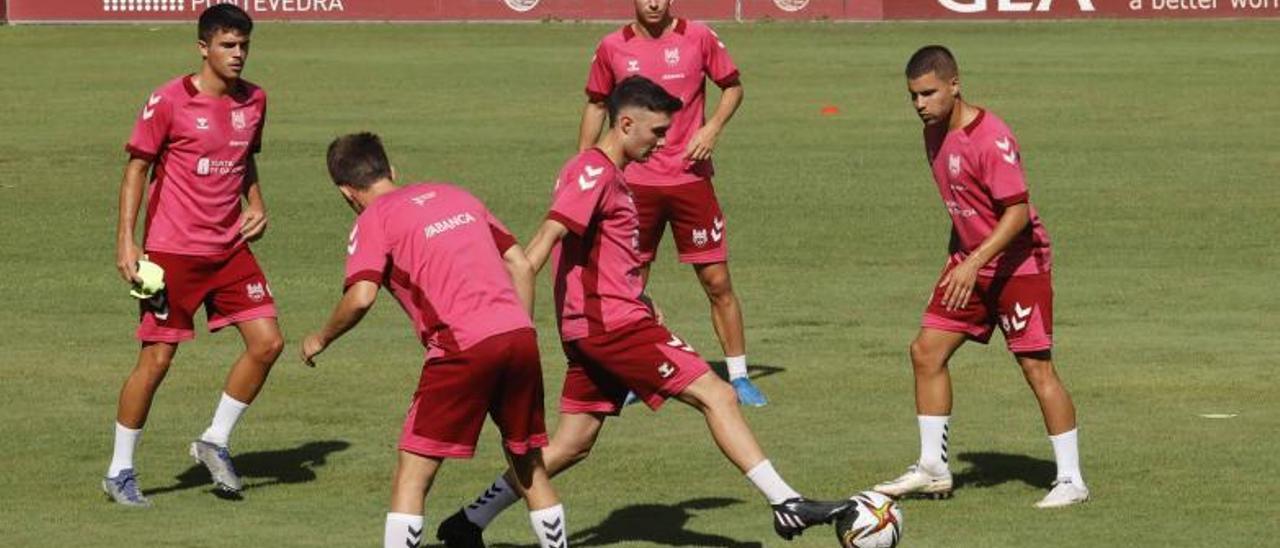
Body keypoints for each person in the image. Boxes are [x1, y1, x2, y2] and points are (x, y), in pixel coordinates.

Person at [435, 76, 849, 548]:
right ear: (625, 122)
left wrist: (635, 292)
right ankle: (786, 503)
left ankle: (467, 522)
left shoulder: (612, 174)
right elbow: (543, 241)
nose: (663, 141)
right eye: (655, 132)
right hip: (612, 327)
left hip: (601, 324)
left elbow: (600, 254)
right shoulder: (591, 172)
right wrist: (510, 320)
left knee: (572, 444)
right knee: (716, 393)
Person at [300, 133, 567, 548]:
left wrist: (321, 337)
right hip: (518, 337)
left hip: (462, 348)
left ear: (345, 192)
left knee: (413, 472)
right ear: (391, 171)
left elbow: (361, 296)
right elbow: (519, 262)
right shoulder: (454, 194)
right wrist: (517, 325)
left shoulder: (373, 220)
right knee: (528, 462)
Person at [872, 45, 1089, 509]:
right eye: (912, 96)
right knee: (926, 351)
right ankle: (933, 468)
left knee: (1036, 368)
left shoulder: (991, 137)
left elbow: (1016, 212)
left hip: (1018, 265)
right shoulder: (933, 132)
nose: (919, 104)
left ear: (955, 84)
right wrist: (960, 257)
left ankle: (1071, 479)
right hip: (970, 261)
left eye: (928, 93)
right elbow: (965, 203)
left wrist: (974, 262)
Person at [104, 3, 283, 507]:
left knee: (268, 343)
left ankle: (215, 439)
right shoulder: (167, 101)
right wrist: (126, 240)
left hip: (230, 249)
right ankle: (120, 470)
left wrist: (257, 201)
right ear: (203, 47)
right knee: (157, 359)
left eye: (244, 45)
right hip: (171, 252)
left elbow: (242, 159)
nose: (238, 55)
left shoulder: (255, 101)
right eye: (228, 45)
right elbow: (137, 169)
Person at [579, 0, 765, 406]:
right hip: (633, 185)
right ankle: (630, 376)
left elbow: (733, 85)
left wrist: (712, 129)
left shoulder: (697, 36)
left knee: (717, 282)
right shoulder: (612, 46)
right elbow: (595, 103)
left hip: (690, 180)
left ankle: (738, 376)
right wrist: (584, 164)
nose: (653, 2)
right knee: (629, 283)